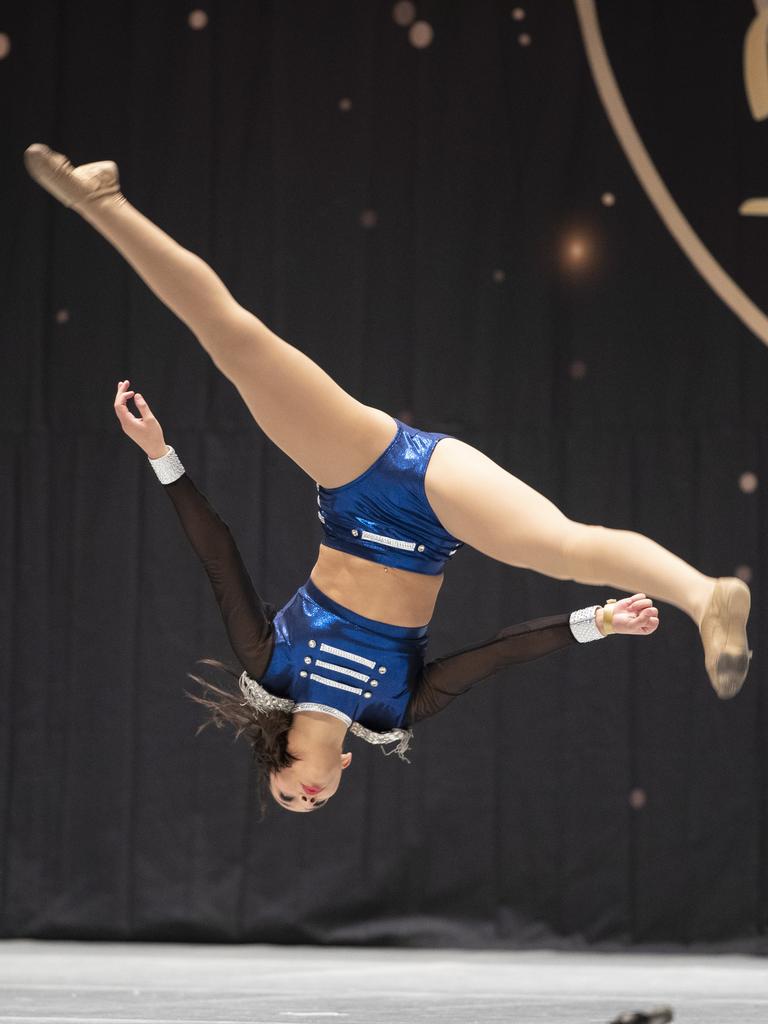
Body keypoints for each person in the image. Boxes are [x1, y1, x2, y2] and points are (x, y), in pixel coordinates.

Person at [23, 144, 750, 815]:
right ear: (342, 768)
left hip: (358, 481)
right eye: (314, 805)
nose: (304, 799)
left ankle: (102, 201)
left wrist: (160, 454)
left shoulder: (271, 666)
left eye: (286, 798)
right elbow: (498, 654)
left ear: (272, 762)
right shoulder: (393, 711)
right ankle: (706, 597)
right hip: (434, 521)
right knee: (560, 546)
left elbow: (217, 551)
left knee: (234, 342)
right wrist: (599, 623)